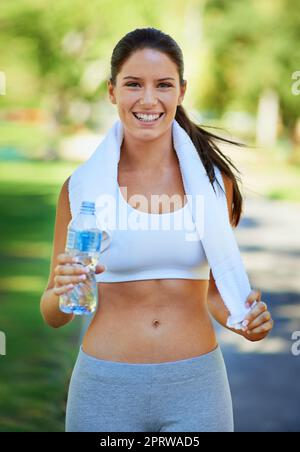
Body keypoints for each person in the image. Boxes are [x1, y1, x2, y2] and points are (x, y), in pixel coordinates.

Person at [40, 27, 274, 432]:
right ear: (112, 91)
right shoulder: (80, 189)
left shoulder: (215, 183)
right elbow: (53, 315)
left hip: (197, 386)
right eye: (133, 84)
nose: (148, 100)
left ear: (181, 91)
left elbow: (217, 294)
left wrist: (245, 320)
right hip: (105, 387)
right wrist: (62, 292)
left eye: (163, 85)